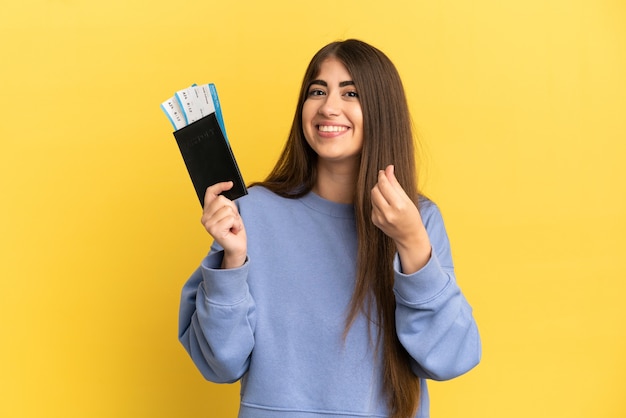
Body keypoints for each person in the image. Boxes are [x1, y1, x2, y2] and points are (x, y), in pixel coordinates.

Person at [178, 39, 481, 418]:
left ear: (382, 111)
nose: (328, 107)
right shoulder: (251, 213)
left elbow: (452, 358)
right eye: (317, 91)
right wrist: (233, 261)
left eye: (350, 92)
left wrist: (412, 243)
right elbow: (219, 363)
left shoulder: (417, 220)